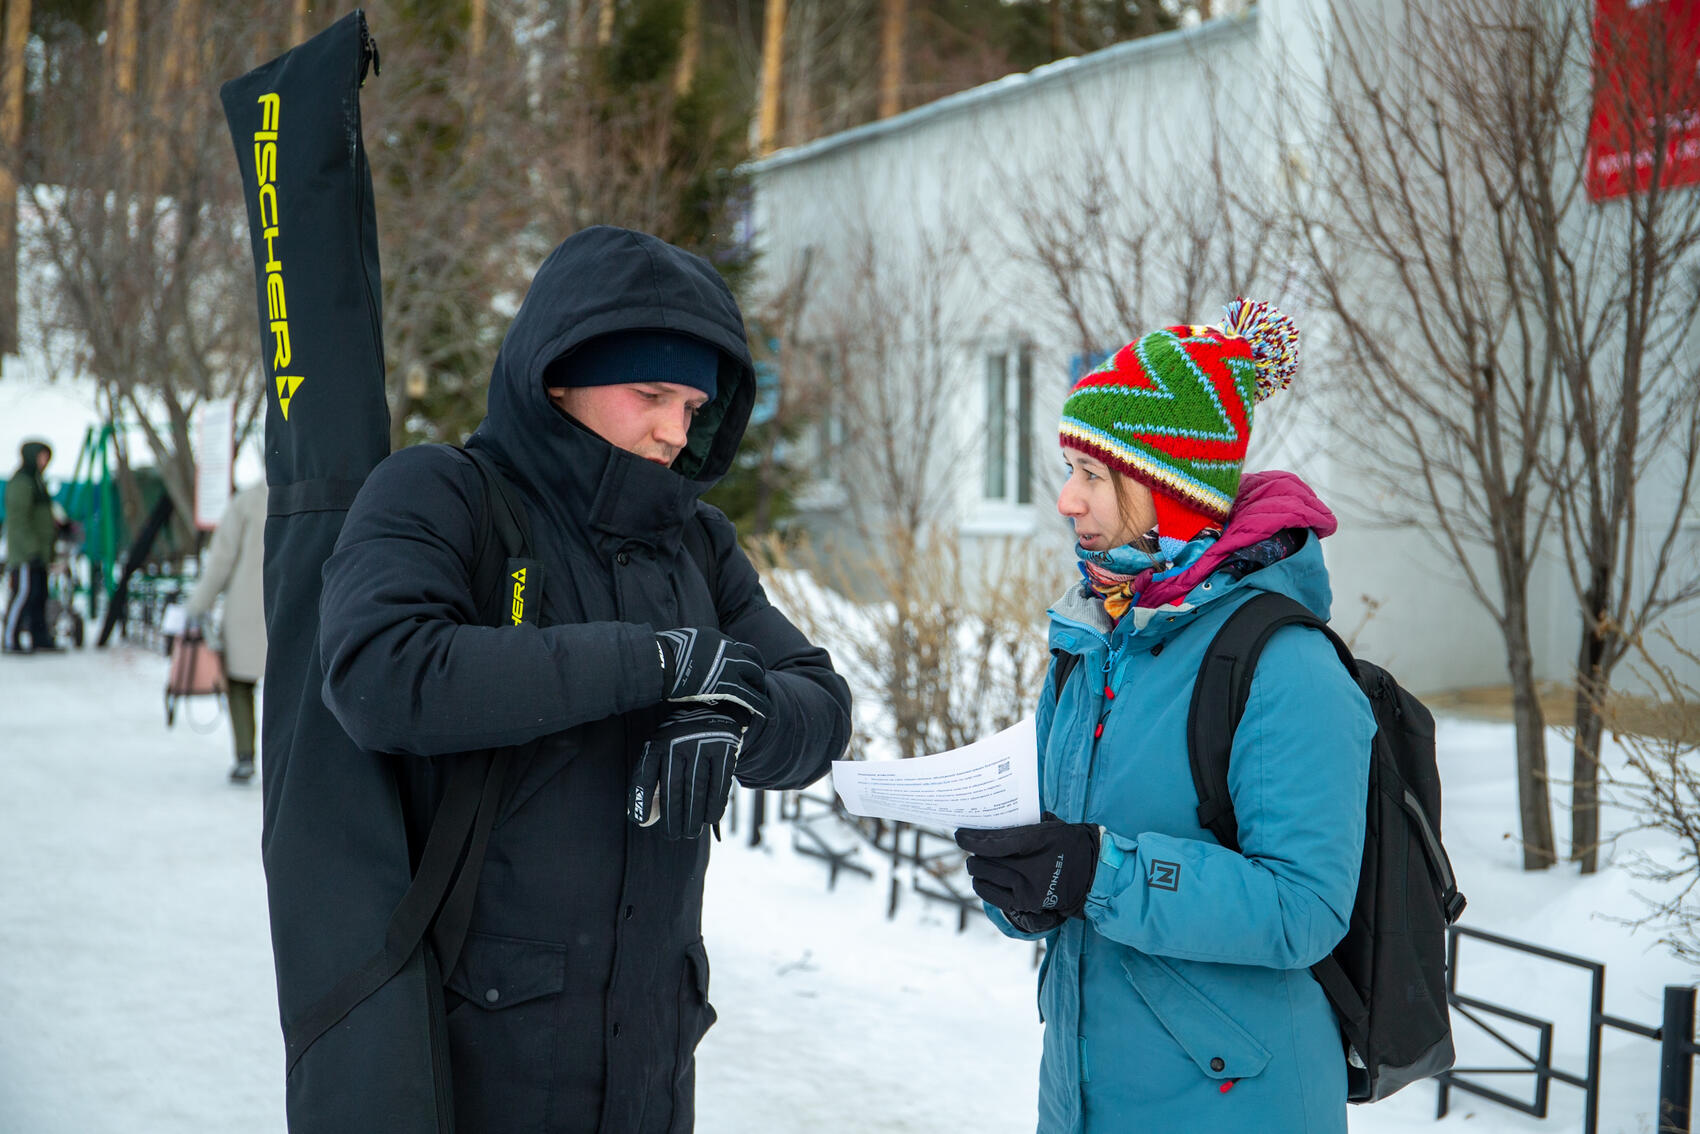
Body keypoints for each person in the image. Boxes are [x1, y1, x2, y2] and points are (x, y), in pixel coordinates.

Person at [316, 225, 853, 1133]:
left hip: (651, 1053)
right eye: (650, 394)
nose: (674, 433)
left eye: (692, 406)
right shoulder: (439, 494)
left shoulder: (697, 541)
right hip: (474, 1054)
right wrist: (652, 662)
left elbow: (820, 701)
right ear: (557, 374)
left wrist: (735, 713)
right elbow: (383, 669)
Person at [955, 301, 1375, 1133]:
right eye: (1068, 470)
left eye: (1093, 475)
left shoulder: (1284, 665)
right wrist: (1026, 885)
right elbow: (1067, 847)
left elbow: (1305, 907)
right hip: (1089, 1090)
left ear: (1169, 496)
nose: (1068, 501)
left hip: (1234, 1101)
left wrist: (1096, 874)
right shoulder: (1095, 636)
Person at [182, 482, 267, 782]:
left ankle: (245, 755)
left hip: (247, 608)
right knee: (291, 688)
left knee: (240, 684)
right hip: (294, 608)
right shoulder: (310, 492)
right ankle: (288, 759)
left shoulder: (247, 502)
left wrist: (196, 606)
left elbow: (221, 561)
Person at [4, 439, 63, 654]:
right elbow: (19, 520)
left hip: (40, 550)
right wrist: (30, 550)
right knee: (24, 594)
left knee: (40, 595)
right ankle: (11, 639)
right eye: (41, 456)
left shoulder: (38, 482)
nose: (44, 461)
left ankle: (40, 637)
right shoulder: (22, 482)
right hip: (26, 552)